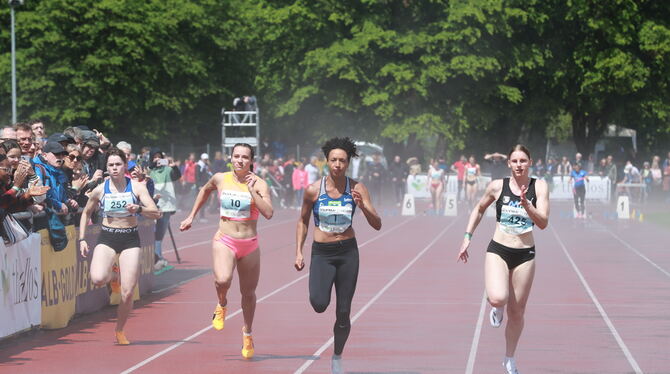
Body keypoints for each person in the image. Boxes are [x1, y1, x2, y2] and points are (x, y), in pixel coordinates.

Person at [457, 145, 549, 374]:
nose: (519, 165)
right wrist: (468, 236)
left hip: (525, 254)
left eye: (523, 161)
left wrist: (528, 206)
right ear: (509, 163)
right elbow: (478, 209)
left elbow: (544, 222)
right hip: (499, 248)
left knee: (517, 312)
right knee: (499, 298)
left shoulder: (540, 186)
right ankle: (496, 306)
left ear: (530, 162)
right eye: (515, 161)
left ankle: (509, 358)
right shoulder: (497, 186)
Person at [294, 137, 382, 374]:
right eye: (333, 160)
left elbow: (377, 224)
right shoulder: (313, 190)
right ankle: (321, 296)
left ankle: (337, 355)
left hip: (347, 253)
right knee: (319, 304)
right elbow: (302, 221)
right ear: (326, 162)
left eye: (342, 160)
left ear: (348, 162)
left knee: (343, 311)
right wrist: (299, 252)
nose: (337, 165)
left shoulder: (357, 188)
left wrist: (362, 206)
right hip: (322, 253)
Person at [179, 143, 273, 359]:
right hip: (225, 239)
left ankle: (247, 333)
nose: (240, 160)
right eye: (236, 156)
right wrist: (191, 216)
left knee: (248, 294)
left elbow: (269, 212)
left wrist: (252, 192)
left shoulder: (259, 184)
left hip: (249, 243)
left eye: (245, 157)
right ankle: (222, 304)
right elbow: (205, 190)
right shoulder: (221, 178)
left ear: (252, 161)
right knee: (222, 280)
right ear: (231, 158)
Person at [78, 148, 160, 345]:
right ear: (106, 167)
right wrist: (81, 239)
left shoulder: (137, 187)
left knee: (128, 291)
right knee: (98, 279)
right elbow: (85, 213)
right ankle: (114, 274)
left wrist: (138, 208)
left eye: (118, 164)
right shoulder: (100, 189)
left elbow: (156, 213)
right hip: (107, 237)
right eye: (111, 165)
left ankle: (120, 329)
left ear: (125, 165)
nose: (114, 168)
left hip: (130, 239)